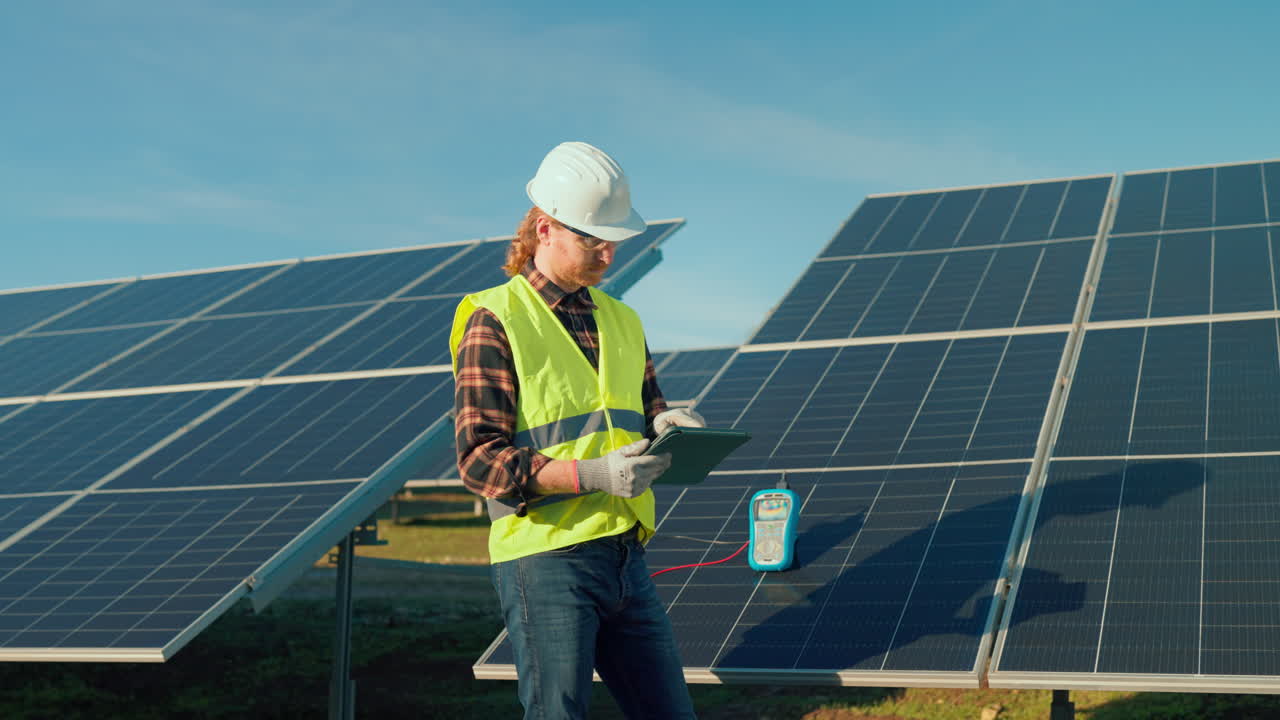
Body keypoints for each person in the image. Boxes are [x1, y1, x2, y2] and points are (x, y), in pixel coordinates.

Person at [450, 141, 703, 719]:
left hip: (625, 555)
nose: (607, 254)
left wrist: (668, 422)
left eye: (613, 239)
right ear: (545, 229)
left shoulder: (622, 319)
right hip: (547, 559)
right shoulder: (496, 319)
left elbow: (644, 406)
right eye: (593, 238)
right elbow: (479, 461)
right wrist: (590, 474)